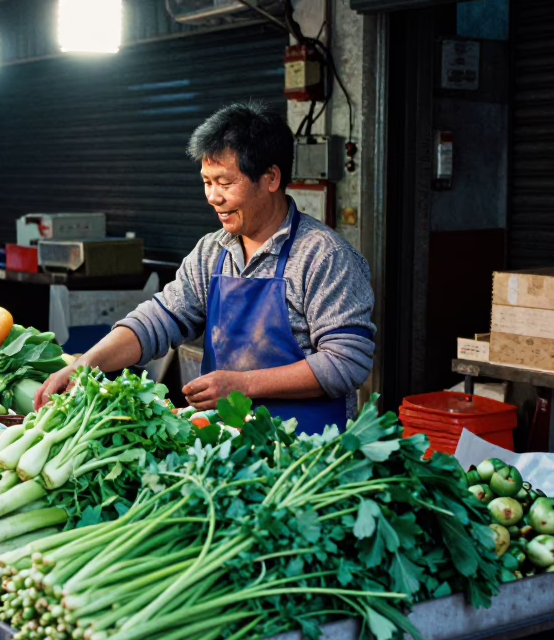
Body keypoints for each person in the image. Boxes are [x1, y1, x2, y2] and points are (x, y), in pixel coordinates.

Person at [36, 102, 376, 433]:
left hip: (305, 451)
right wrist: (86, 363)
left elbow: (346, 361)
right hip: (224, 448)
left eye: (225, 183)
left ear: (271, 178)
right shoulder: (212, 252)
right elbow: (159, 319)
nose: (212, 196)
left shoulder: (324, 256)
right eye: (206, 181)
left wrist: (242, 384)